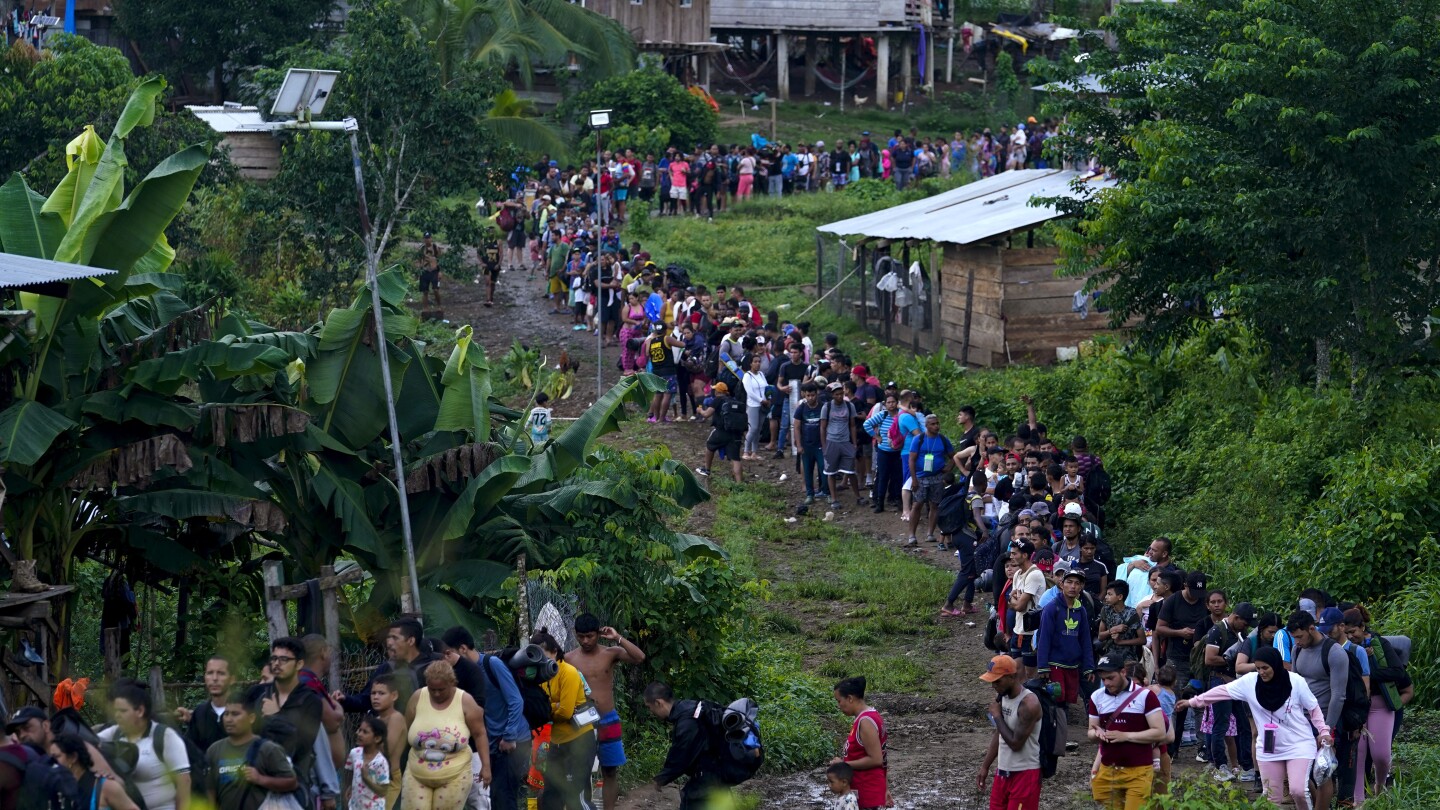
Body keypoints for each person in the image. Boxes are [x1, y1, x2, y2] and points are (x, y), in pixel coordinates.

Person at [1176, 647, 1331, 809]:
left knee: (1298, 790)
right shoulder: (1250, 682)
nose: (1261, 672)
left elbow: (1313, 708)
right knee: (1271, 797)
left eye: (1265, 668)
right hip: (1269, 747)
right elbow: (1222, 691)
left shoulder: (1296, 681)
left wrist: (1324, 730)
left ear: (1276, 665)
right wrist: (1192, 702)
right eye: (1258, 668)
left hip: (1299, 744)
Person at [443, 626, 531, 810]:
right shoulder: (464, 674)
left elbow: (516, 701)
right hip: (493, 745)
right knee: (494, 797)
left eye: (448, 653)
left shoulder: (492, 665)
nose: (445, 659)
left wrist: (509, 737)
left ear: (463, 649)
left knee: (504, 797)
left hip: (511, 742)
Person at [569, 614, 647, 810]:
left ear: (598, 634)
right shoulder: (569, 658)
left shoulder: (610, 653)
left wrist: (617, 637)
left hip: (608, 720)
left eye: (589, 636)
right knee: (579, 771)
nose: (585, 641)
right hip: (581, 722)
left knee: (610, 771)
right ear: (575, 635)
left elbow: (640, 657)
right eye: (581, 636)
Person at [403, 660, 491, 810]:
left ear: (452, 683)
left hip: (455, 775)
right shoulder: (418, 697)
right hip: (417, 771)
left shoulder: (465, 701)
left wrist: (486, 766)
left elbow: (480, 734)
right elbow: (404, 729)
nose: (436, 693)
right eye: (432, 689)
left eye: (441, 689)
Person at [1086, 654, 1168, 810]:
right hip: (1109, 770)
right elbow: (1091, 731)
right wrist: (1096, 734)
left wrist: (1125, 736)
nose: (1107, 683)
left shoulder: (1145, 696)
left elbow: (1160, 733)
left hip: (1139, 771)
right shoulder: (1096, 697)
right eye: (1103, 679)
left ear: (1123, 672)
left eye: (1111, 678)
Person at [97, 679, 192, 810]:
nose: (117, 716)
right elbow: (87, 744)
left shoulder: (165, 736)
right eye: (116, 711)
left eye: (123, 711)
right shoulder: (114, 733)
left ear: (140, 711)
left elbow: (184, 782)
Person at [1287, 609, 1348, 810]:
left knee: (1322, 772)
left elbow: (1338, 694)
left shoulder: (1334, 652)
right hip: (1300, 720)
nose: (1297, 641)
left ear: (1311, 629)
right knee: (1302, 771)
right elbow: (1294, 684)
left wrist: (1327, 729)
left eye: (1299, 636)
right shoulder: (1298, 650)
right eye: (1294, 637)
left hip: (1324, 719)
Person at [1345, 607, 1405, 805]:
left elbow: (1398, 672)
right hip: (1356, 707)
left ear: (1363, 627)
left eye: (1353, 632)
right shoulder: (1345, 648)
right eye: (1346, 633)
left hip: (1379, 704)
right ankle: (1358, 801)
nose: (1350, 636)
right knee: (1359, 753)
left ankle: (1379, 787)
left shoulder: (1379, 644)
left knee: (1380, 754)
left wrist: (1368, 673)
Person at [530, 629, 593, 810]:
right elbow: (537, 710)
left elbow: (565, 713)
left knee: (576, 797)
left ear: (555, 652)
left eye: (543, 655)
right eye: (535, 656)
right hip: (557, 744)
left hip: (579, 741)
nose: (540, 660)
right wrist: (555, 707)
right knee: (551, 797)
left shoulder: (569, 673)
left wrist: (548, 708)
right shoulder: (540, 676)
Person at [206, 693, 298, 810]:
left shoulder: (268, 749)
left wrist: (260, 779)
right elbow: (210, 789)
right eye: (226, 714)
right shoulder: (214, 750)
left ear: (251, 718)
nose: (229, 719)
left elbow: (292, 782)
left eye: (235, 714)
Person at [256, 637, 322, 797]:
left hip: (295, 785)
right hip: (259, 784)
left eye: (284, 659)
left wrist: (277, 716)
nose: (277, 663)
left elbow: (302, 745)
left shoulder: (310, 700)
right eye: (274, 658)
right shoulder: (260, 695)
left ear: (299, 664)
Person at [644, 682, 726, 809]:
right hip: (713, 778)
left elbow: (681, 754)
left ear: (658, 703)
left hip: (707, 782)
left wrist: (659, 780)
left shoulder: (687, 720)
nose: (650, 712)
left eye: (649, 707)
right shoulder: (688, 709)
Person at [976, 655, 1042, 810]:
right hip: (1002, 774)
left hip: (1025, 775)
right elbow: (1000, 733)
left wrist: (997, 716)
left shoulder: (1029, 704)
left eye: (997, 681)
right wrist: (985, 767)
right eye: (991, 681)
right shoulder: (1002, 696)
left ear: (1012, 676)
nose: (993, 686)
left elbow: (1015, 743)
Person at [1155, 570, 1208, 757]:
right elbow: (1159, 628)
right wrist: (1180, 632)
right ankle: (1171, 747)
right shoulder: (1173, 601)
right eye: (1193, 591)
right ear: (1185, 586)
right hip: (1177, 658)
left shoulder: (1205, 601)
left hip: (1201, 661)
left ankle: (1204, 748)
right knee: (1174, 703)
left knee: (1201, 703)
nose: (1196, 596)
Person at [1201, 600, 1255, 782]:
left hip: (1236, 684)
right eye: (1245, 623)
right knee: (1221, 725)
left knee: (1244, 726)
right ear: (1236, 617)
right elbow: (1209, 659)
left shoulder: (1239, 632)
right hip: (1220, 682)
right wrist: (1232, 659)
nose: (1246, 627)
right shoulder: (1218, 631)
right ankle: (1221, 766)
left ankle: (1246, 765)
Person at [336, 619, 438, 714]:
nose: (389, 643)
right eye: (388, 637)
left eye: (395, 638)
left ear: (411, 641)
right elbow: (366, 700)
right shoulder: (386, 669)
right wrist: (345, 700)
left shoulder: (433, 667)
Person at [1036, 566, 1096, 707]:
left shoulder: (1080, 610)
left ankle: (1062, 728)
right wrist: (1043, 666)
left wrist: (1089, 666)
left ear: (1081, 587)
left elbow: (1085, 640)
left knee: (1067, 703)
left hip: (1073, 665)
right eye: (1069, 582)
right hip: (1055, 664)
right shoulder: (1052, 608)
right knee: (1056, 702)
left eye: (1077, 583)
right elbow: (1044, 637)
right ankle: (1056, 729)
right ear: (1062, 584)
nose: (1073, 586)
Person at [831, 677, 887, 809]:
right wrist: (886, 789)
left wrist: (843, 764)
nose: (839, 706)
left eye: (839, 701)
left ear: (850, 698)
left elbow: (877, 759)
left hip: (867, 791)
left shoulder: (866, 721)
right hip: (868, 790)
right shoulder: (868, 716)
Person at [50, 734, 137, 810]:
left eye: (56, 757)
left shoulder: (106, 786)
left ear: (73, 757)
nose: (52, 763)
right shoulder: (62, 793)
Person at [175, 654, 236, 759]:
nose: (214, 678)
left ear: (232, 679)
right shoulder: (200, 713)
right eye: (210, 673)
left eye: (221, 673)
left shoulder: (243, 711)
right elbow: (190, 750)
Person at [907, 414, 953, 545]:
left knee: (935, 505)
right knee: (917, 505)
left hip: (937, 477)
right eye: (933, 424)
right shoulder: (919, 439)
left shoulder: (943, 439)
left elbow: (953, 456)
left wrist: (948, 468)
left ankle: (930, 533)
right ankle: (912, 535)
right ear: (926, 426)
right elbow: (911, 460)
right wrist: (914, 479)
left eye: (937, 423)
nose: (936, 426)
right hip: (921, 477)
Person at [1008, 540, 1048, 680]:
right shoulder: (1018, 574)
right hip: (1018, 629)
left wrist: (1014, 601)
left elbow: (1019, 606)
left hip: (1031, 633)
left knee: (1030, 675)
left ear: (1025, 555)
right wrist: (1015, 601)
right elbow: (1012, 600)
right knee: (1017, 671)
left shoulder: (1034, 575)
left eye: (1014, 553)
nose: (1011, 556)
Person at [367, 674, 407, 810]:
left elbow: (385, 749)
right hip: (370, 775)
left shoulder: (395, 718)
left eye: (381, 693)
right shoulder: (377, 720)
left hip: (388, 777)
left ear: (394, 696)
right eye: (373, 693)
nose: (376, 697)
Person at [696, 382, 744, 483]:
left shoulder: (718, 400)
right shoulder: (734, 400)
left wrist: (700, 410)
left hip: (721, 431)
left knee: (710, 445)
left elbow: (706, 414)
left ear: (718, 391)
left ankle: (706, 469)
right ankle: (740, 483)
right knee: (735, 458)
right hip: (736, 433)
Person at [344, 716, 391, 810]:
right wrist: (350, 787)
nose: (359, 734)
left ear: (377, 738)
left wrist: (366, 779)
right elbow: (351, 772)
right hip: (355, 806)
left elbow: (383, 791)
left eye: (365, 732)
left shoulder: (381, 762)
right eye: (359, 730)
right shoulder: (354, 753)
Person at [418, 232, 442, 309]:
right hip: (424, 271)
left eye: (428, 238)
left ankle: (439, 306)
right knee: (425, 291)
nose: (427, 240)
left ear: (431, 238)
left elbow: (440, 260)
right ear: (424, 239)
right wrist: (418, 270)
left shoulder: (435, 248)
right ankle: (426, 308)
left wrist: (440, 271)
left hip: (434, 271)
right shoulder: (421, 248)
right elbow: (418, 260)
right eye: (426, 238)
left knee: (436, 290)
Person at [479, 234, 502, 308]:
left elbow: (501, 254)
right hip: (486, 265)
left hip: (495, 265)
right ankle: (488, 300)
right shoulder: (482, 242)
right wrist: (482, 263)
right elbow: (478, 253)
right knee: (487, 282)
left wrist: (498, 264)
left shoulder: (498, 242)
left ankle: (491, 298)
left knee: (492, 283)